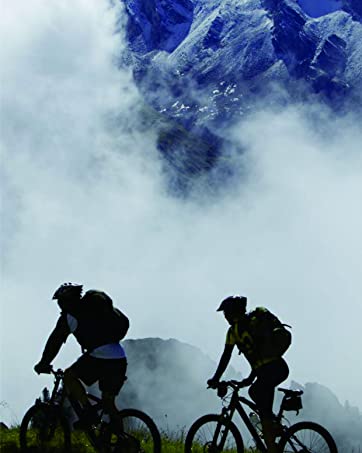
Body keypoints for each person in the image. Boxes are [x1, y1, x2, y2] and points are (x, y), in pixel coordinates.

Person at [34, 283, 129, 428]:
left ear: (65, 300)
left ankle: (88, 411)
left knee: (69, 376)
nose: (59, 305)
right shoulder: (95, 308)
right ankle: (122, 443)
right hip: (119, 357)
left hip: (100, 357)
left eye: (60, 301)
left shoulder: (70, 316)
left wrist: (43, 363)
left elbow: (55, 342)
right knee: (109, 403)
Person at [207, 295, 289, 453]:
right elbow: (257, 356)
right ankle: (272, 430)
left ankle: (272, 434)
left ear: (232, 312)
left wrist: (216, 379)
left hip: (271, 370)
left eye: (226, 313)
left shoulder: (240, 329)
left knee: (260, 400)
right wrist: (250, 378)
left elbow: (226, 356)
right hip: (274, 369)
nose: (225, 317)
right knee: (254, 392)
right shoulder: (246, 326)